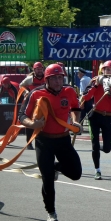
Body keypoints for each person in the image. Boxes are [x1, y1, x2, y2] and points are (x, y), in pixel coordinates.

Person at [18, 64, 82, 221]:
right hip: (43, 140)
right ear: (47, 79)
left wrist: (75, 122)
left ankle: (54, 167)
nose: (58, 81)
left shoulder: (69, 91)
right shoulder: (35, 93)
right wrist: (33, 124)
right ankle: (51, 212)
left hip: (63, 139)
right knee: (47, 179)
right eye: (54, 78)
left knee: (76, 173)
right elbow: (22, 115)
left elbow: (75, 108)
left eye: (60, 77)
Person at [80, 60, 111, 180]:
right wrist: (96, 85)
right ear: (102, 70)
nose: (108, 72)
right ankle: (97, 170)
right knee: (95, 145)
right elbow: (86, 97)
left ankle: (100, 147)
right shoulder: (94, 81)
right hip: (95, 116)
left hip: (108, 117)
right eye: (106, 69)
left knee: (107, 148)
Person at [20, 61, 45, 150]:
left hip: (43, 104)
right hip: (32, 103)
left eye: (40, 69)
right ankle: (29, 143)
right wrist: (26, 92)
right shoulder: (30, 79)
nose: (39, 71)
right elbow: (21, 86)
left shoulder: (46, 78)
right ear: (34, 70)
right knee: (30, 123)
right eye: (37, 69)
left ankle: (42, 143)